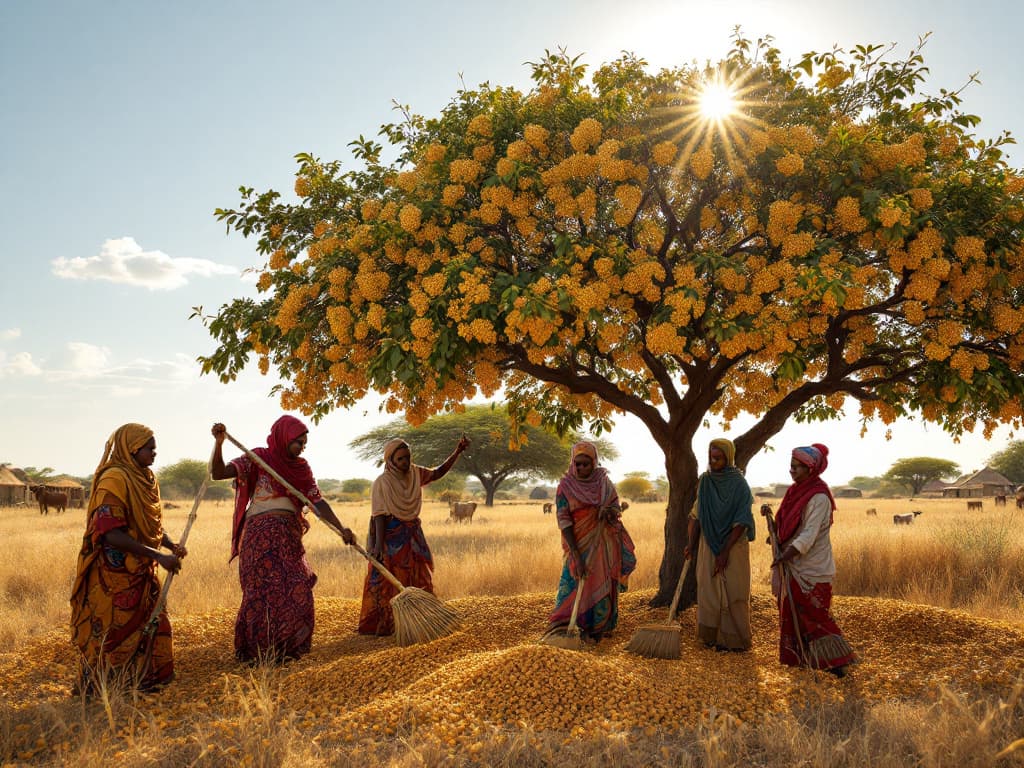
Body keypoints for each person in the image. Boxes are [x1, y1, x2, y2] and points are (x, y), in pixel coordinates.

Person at [211, 417, 356, 663]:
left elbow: (317, 503)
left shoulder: (301, 469)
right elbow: (218, 473)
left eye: (304, 443)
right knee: (261, 592)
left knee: (298, 586)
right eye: (297, 442)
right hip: (259, 538)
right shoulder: (258, 458)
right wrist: (219, 443)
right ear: (284, 437)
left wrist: (341, 528)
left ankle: (288, 650)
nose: (301, 447)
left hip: (288, 538)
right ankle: (257, 654)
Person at [70, 423, 185, 693]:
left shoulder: (146, 478)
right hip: (113, 574)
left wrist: (169, 545)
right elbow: (110, 533)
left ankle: (144, 680)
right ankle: (107, 687)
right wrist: (158, 555)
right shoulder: (114, 479)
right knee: (114, 629)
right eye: (150, 449)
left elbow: (147, 526)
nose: (154, 454)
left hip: (142, 568)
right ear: (133, 448)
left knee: (152, 621)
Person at [358, 435, 470, 636]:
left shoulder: (415, 474)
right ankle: (391, 623)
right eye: (400, 459)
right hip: (391, 536)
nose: (405, 462)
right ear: (390, 460)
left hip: (412, 533)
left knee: (419, 574)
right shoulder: (381, 483)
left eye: (407, 457)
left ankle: (421, 618)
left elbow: (437, 473)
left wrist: (457, 452)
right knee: (391, 577)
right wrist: (377, 546)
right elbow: (379, 517)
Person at [763, 443, 857, 677]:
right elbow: (787, 527)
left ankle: (838, 664)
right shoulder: (794, 492)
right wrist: (773, 528)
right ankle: (805, 661)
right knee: (794, 615)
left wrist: (784, 555)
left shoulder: (819, 497)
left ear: (810, 469)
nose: (792, 471)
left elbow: (808, 535)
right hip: (793, 565)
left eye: (797, 467)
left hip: (812, 568)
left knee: (816, 617)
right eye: (791, 466)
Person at [546, 441, 637, 642]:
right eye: (577, 464)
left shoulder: (604, 484)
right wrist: (576, 554)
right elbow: (564, 520)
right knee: (575, 579)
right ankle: (567, 625)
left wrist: (609, 512)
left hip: (602, 544)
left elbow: (616, 510)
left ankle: (598, 628)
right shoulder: (565, 486)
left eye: (586, 464)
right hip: (577, 542)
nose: (581, 468)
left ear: (594, 462)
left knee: (601, 581)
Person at [684, 438, 755, 651]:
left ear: (729, 457)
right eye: (711, 458)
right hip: (708, 543)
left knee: (735, 589)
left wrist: (724, 551)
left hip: (734, 544)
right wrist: (691, 544)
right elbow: (696, 516)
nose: (713, 462)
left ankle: (735, 640)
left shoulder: (739, 484)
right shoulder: (705, 482)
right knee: (708, 589)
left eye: (718, 458)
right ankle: (710, 637)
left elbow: (742, 520)